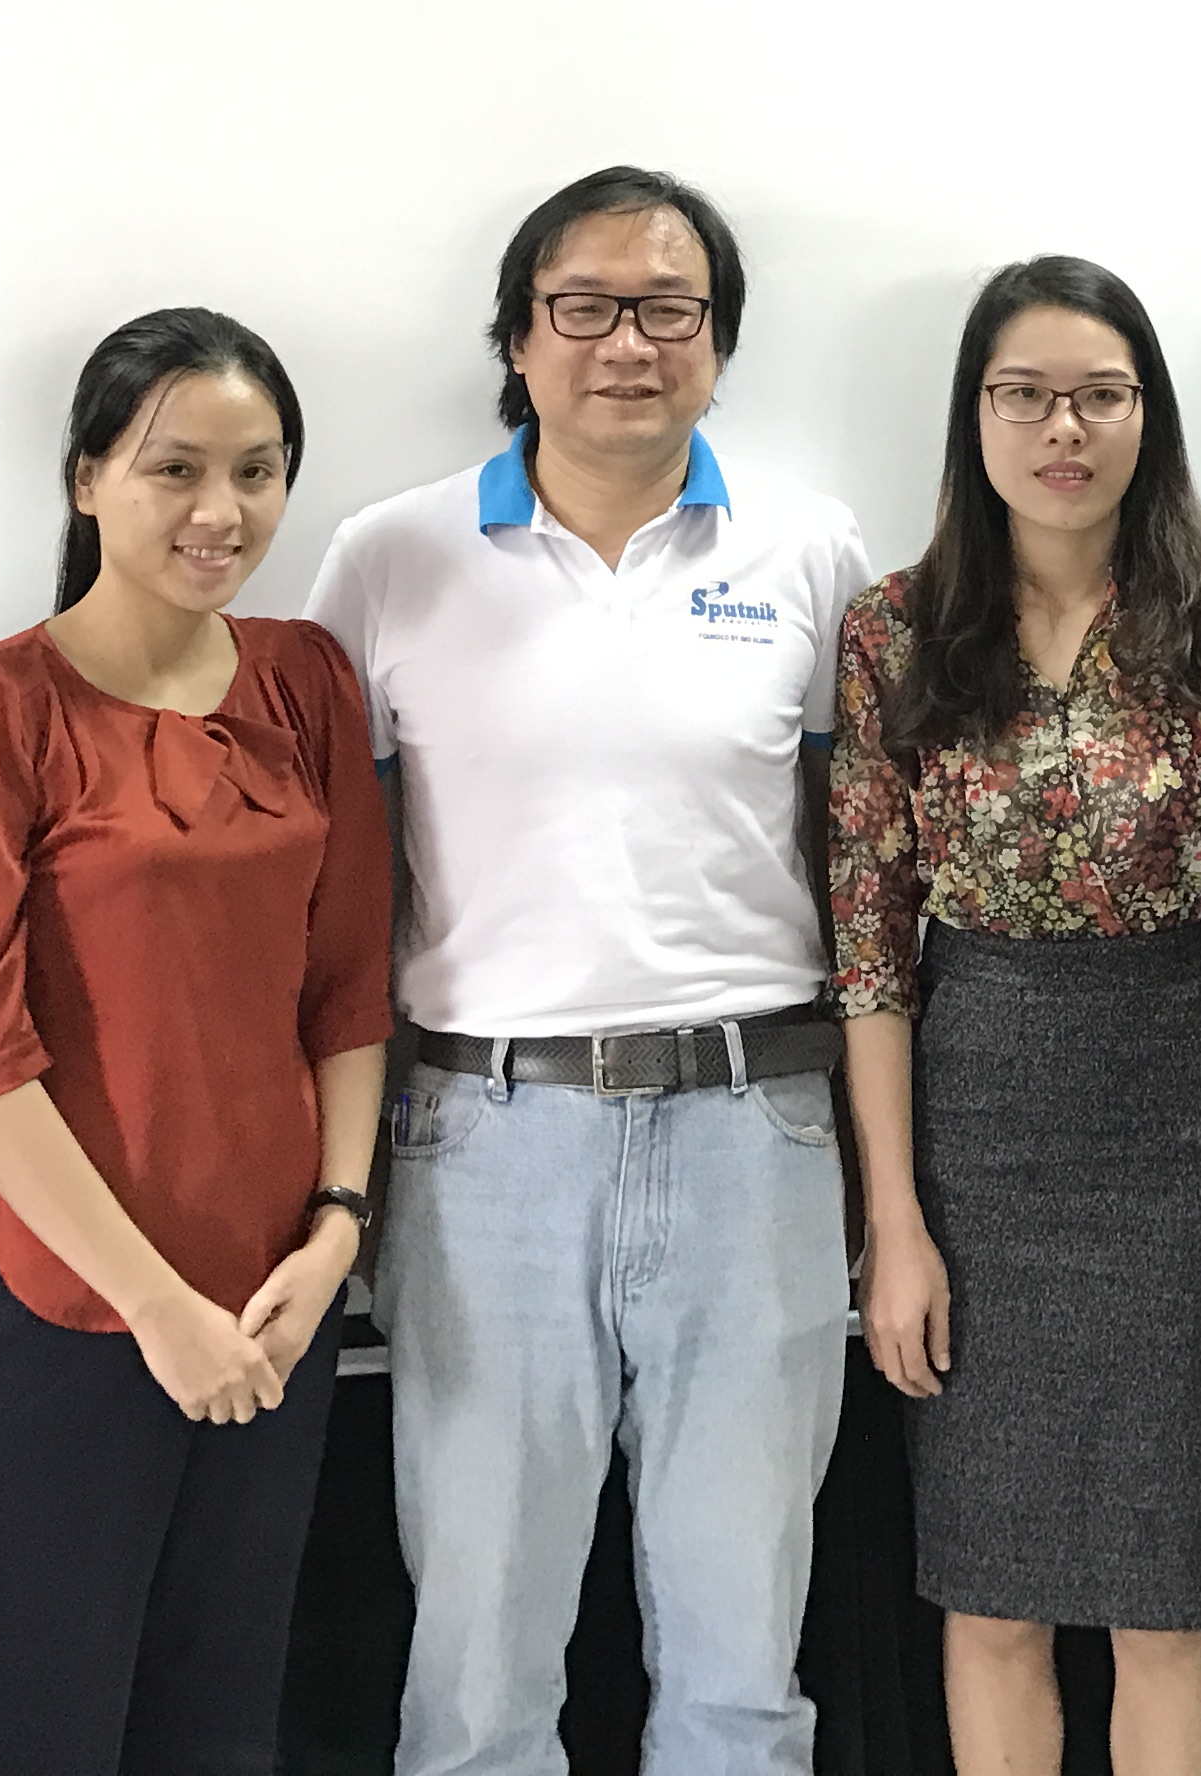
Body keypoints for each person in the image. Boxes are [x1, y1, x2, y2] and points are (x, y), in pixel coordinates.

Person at [305, 166, 874, 1776]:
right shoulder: (390, 558)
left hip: (755, 1125)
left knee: (742, 1657)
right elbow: (335, 878)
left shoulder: (811, 551)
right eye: (585, 307)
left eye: (670, 309)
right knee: (479, 1664)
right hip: (486, 1137)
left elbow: (865, 849)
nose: (629, 343)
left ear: (718, 342)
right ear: (518, 337)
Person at [830, 257, 1201, 1776]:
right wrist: (895, 1225)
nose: (1064, 429)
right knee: (992, 1600)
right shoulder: (897, 633)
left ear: (1146, 416)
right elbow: (870, 953)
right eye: (1025, 395)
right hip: (974, 1139)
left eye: (1100, 395)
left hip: (1180, 1142)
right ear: (974, 416)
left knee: (1170, 1599)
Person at [0, 309, 391, 1776]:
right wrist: (157, 1306)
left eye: (257, 471)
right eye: (175, 469)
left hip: (277, 1298)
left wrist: (337, 1231)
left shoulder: (304, 681)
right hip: (70, 1302)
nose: (220, 511)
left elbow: (350, 987)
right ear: (87, 478)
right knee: (42, 1725)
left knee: (221, 1720)